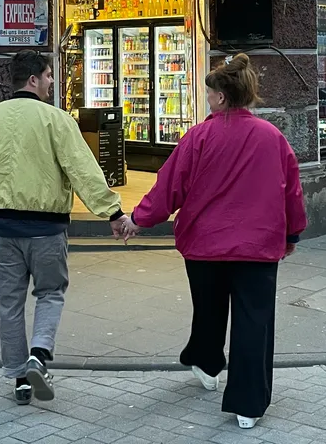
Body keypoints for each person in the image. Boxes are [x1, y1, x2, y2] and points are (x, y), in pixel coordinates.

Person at [121, 54, 307, 429]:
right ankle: (248, 404)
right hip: (257, 247)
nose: (206, 98)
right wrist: (291, 235)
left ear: (221, 96)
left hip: (204, 244)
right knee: (254, 322)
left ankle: (206, 363)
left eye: (208, 92)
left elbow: (169, 185)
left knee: (208, 309)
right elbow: (292, 191)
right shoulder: (273, 138)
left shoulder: (199, 136)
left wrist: (138, 220)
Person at [0, 50, 132, 406]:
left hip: (2, 229)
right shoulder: (56, 120)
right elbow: (82, 170)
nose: (53, 81)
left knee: (8, 303)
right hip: (46, 229)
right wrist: (112, 212)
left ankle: (20, 380)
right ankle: (39, 356)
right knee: (51, 293)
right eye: (50, 75)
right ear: (33, 80)